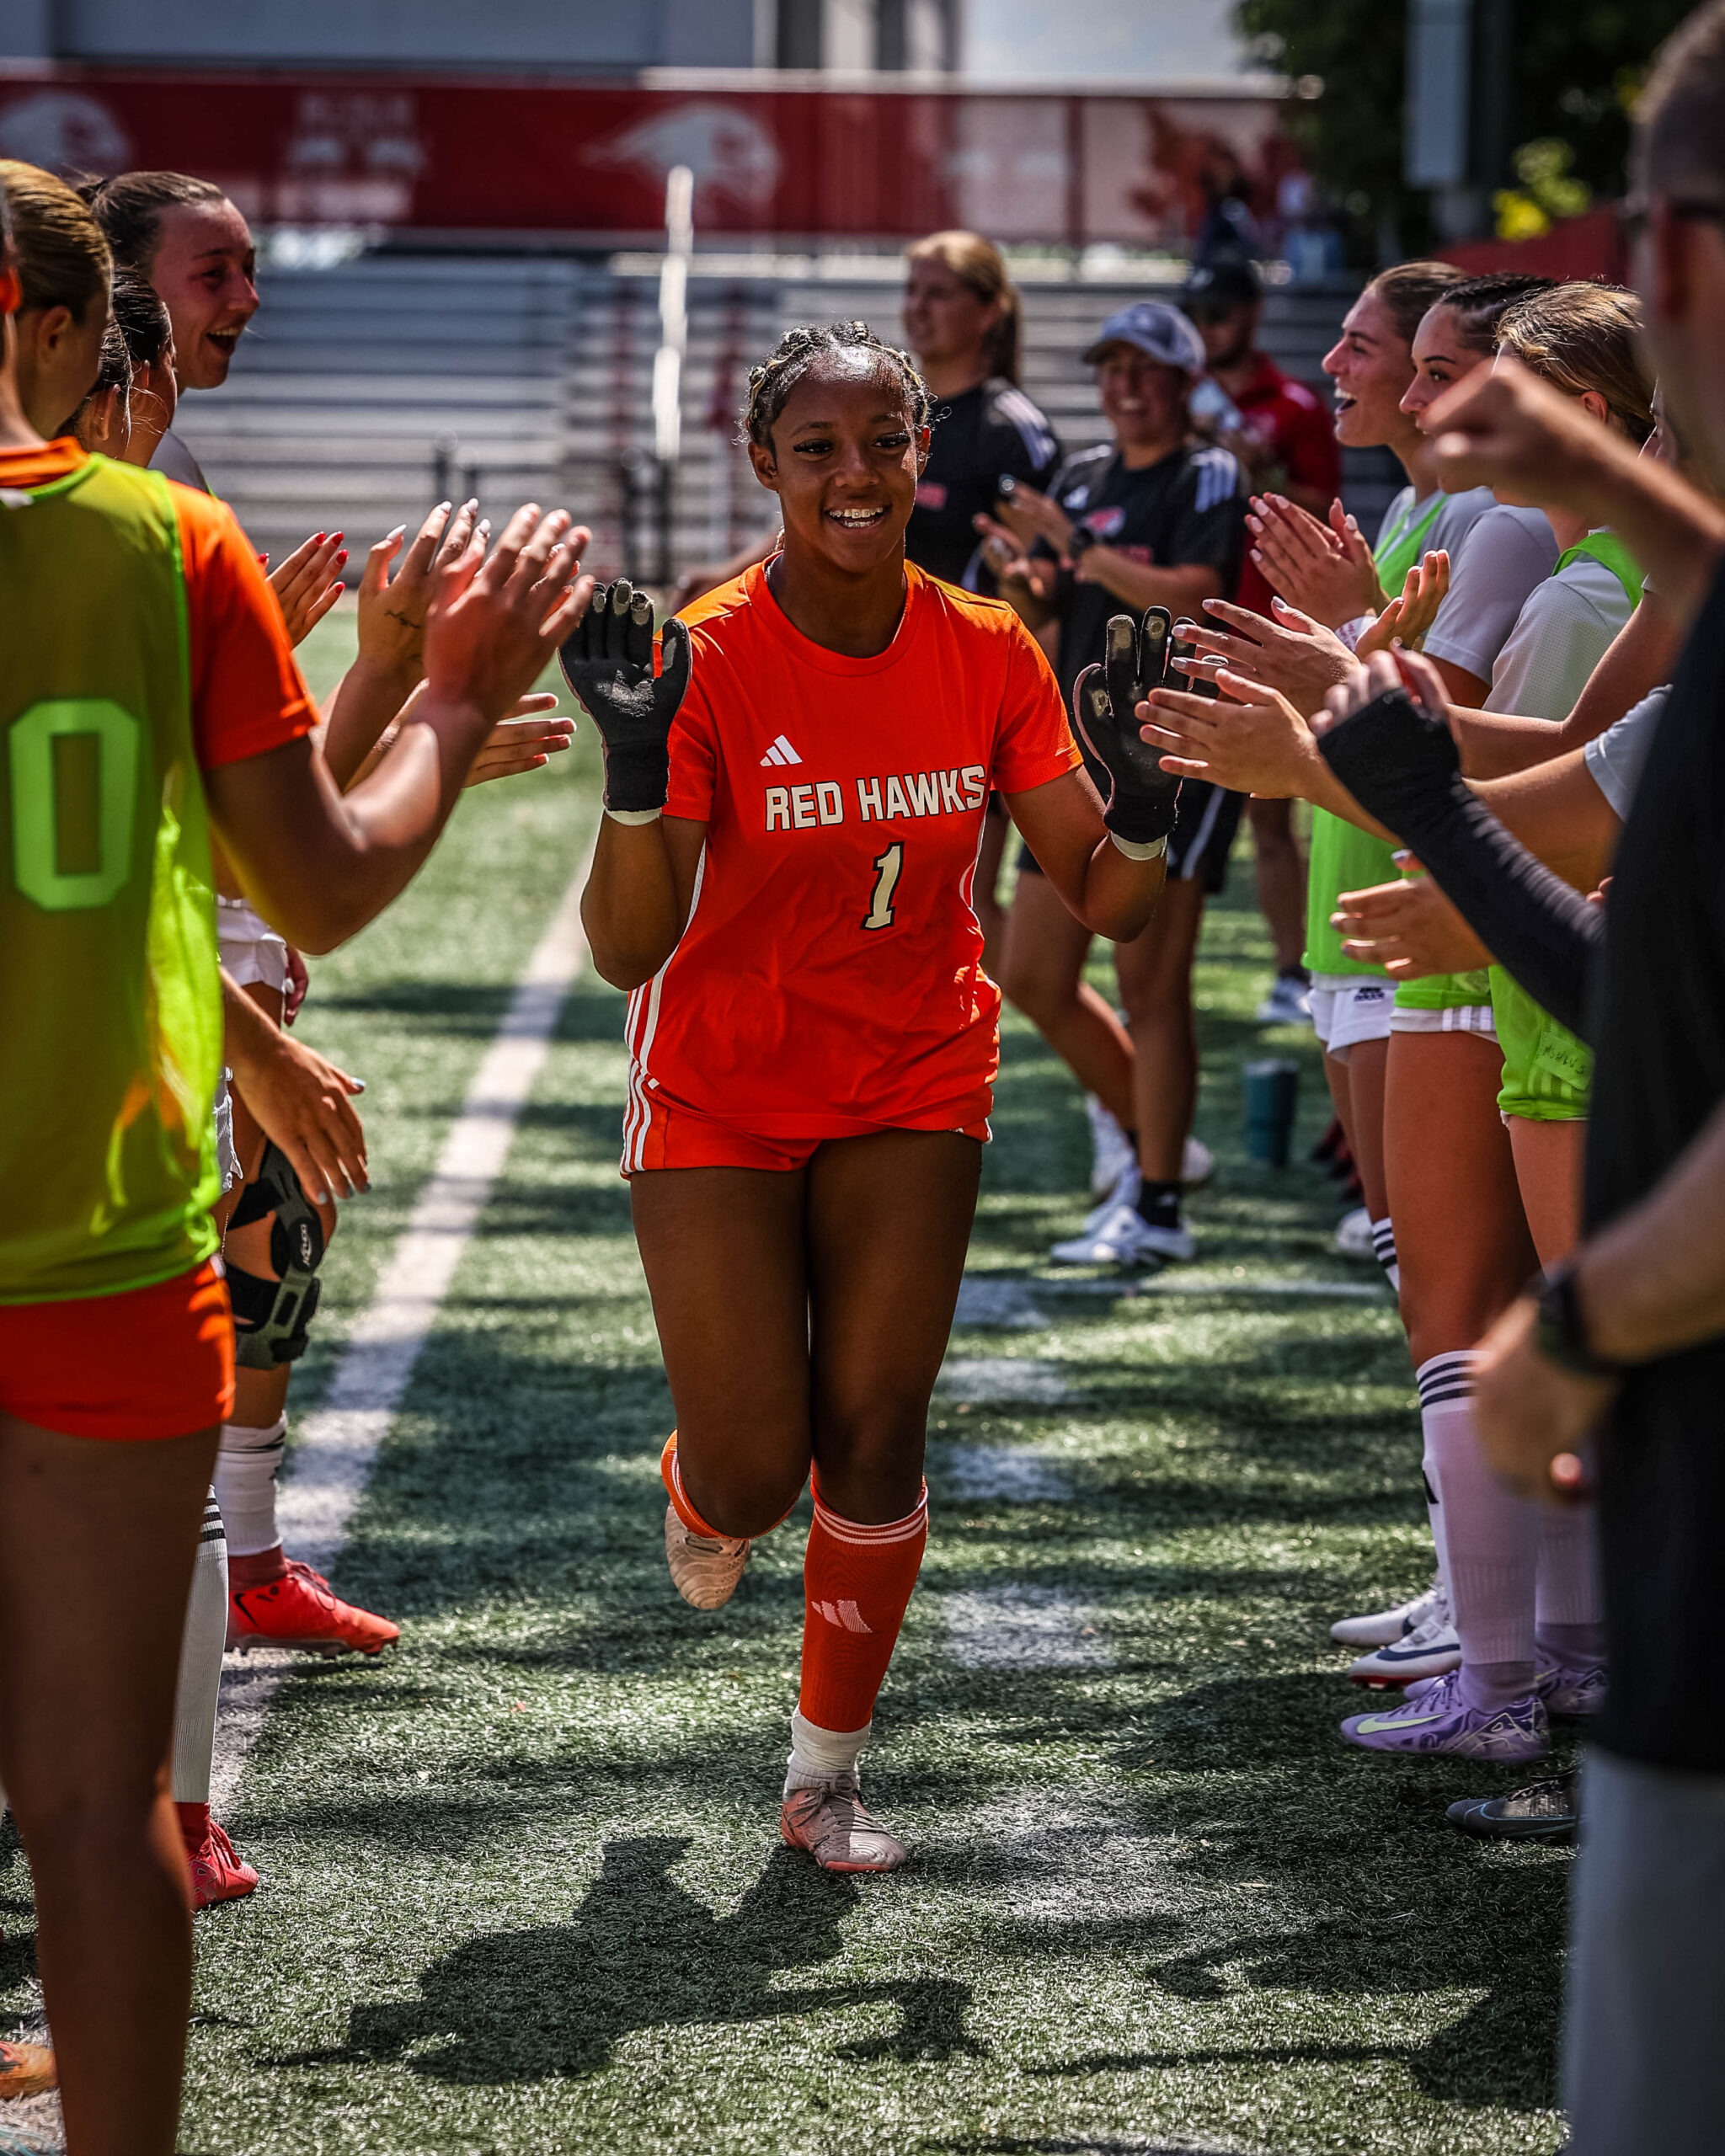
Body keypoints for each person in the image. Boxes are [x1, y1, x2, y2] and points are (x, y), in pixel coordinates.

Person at [0, 159, 588, 2148]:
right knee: (98, 1807)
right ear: (69, 334)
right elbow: (317, 885)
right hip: (95, 1251)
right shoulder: (169, 544)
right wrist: (451, 688)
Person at [566, 319, 1170, 1875]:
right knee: (758, 1467)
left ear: (922, 452)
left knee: (878, 1431)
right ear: (762, 465)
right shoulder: (704, 653)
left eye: (883, 442)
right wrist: (633, 779)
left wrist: (1157, 803)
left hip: (914, 1073)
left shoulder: (982, 646)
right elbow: (627, 951)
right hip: (720, 1085)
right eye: (817, 448)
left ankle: (822, 1780)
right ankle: (702, 1481)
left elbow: (1101, 902)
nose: (855, 474)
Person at [975, 301, 1246, 1264]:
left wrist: (1079, 549)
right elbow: (1059, 610)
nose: (1123, 387)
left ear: (1182, 380)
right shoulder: (1083, 474)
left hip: (1177, 749)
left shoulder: (1208, 470)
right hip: (1082, 750)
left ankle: (1161, 1203)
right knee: (1036, 975)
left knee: (1148, 984)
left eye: (1144, 368)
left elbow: (1193, 591)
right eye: (1109, 368)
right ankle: (1154, 1153)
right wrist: (1027, 584)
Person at [1180, 256, 1340, 1024]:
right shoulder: (1181, 398)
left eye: (1223, 310)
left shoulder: (1295, 404)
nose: (1212, 326)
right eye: (1201, 312)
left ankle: (1289, 971)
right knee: (1168, 794)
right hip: (1194, 616)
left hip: (1269, 623)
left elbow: (1322, 506)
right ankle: (1166, 963)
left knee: (1273, 812)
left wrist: (1259, 465)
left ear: (1249, 313)